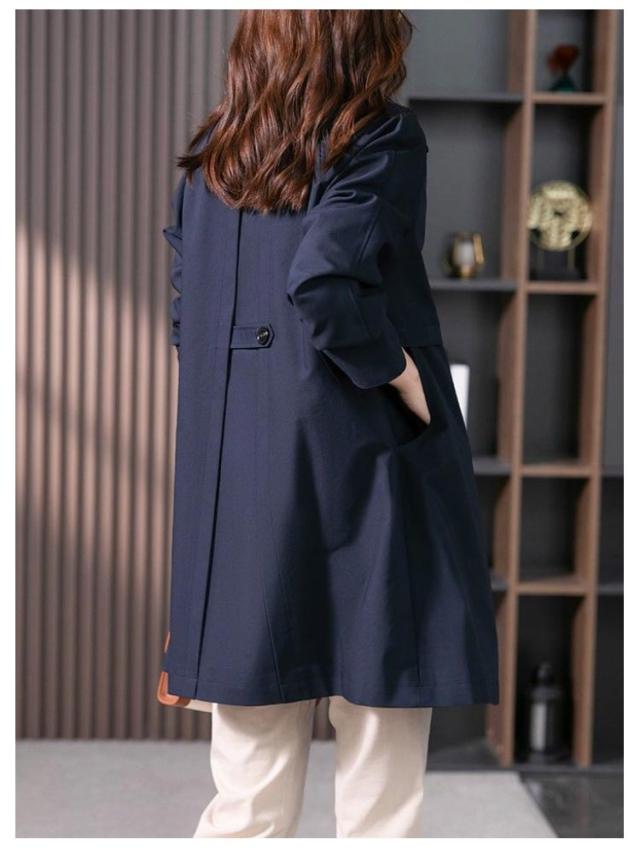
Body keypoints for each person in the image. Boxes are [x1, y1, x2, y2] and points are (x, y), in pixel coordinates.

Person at [161, 9, 499, 839]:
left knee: (247, 795)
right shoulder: (381, 136)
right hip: (366, 469)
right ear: (365, 40)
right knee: (380, 779)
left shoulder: (214, 154)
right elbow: (321, 281)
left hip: (241, 485)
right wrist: (405, 374)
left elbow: (187, 315)